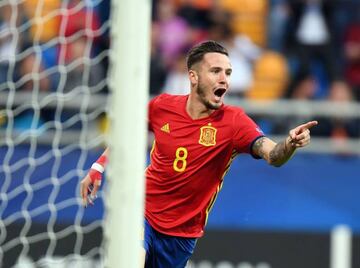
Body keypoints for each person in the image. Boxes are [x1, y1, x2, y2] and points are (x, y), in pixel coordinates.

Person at [79, 40, 318, 267]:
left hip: (182, 235)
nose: (224, 79)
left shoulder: (234, 122)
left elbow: (273, 156)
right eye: (216, 71)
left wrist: (290, 143)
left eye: (228, 73)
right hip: (142, 211)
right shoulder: (163, 106)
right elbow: (128, 131)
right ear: (193, 76)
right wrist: (99, 166)